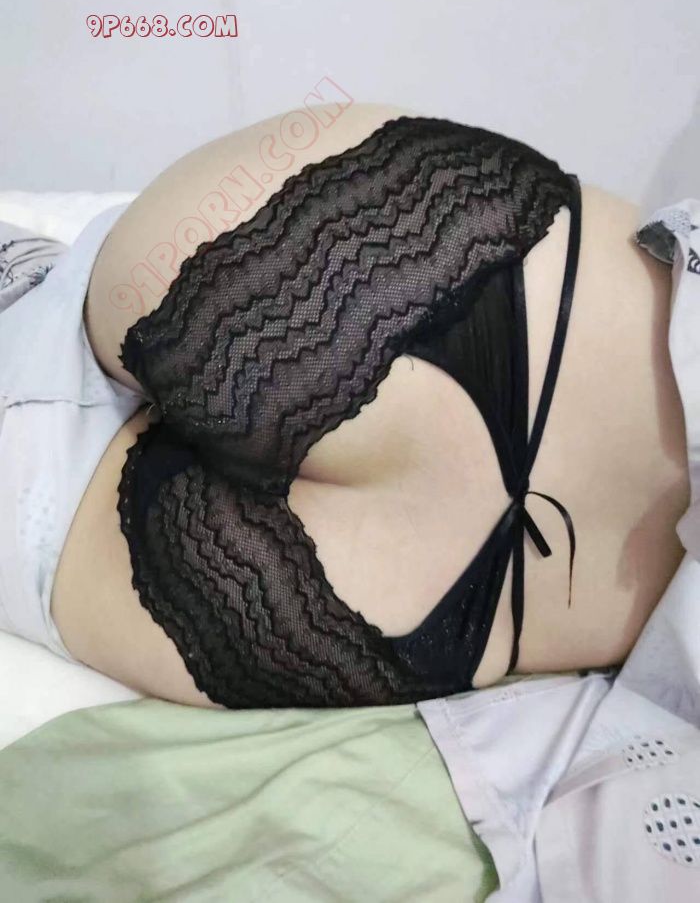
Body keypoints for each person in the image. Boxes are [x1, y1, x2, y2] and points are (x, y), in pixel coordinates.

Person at [0, 102, 690, 709]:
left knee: (57, 302)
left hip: (516, 275)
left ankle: (32, 278)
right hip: (509, 595)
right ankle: (33, 280)